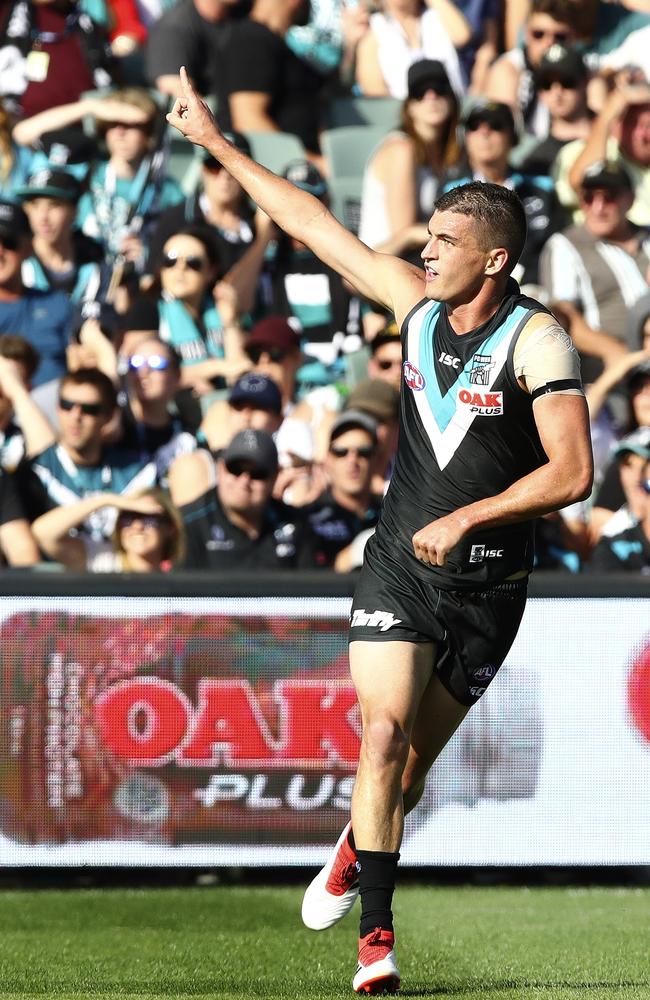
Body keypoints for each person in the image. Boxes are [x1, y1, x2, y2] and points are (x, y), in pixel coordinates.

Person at [167, 67, 593, 994]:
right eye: (429, 235)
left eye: (447, 240)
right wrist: (217, 142)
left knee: (401, 781)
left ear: (494, 259)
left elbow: (573, 473)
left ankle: (354, 849)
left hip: (488, 586)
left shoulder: (538, 340)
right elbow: (312, 223)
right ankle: (377, 945)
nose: (426, 250)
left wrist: (471, 516)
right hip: (399, 567)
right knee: (382, 737)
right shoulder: (414, 305)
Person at [539, 161, 650, 385]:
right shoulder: (566, 245)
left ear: (630, 199)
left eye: (609, 197)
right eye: (589, 197)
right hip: (608, 369)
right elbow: (565, 318)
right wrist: (621, 354)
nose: (598, 207)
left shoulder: (647, 237)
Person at [23, 367, 157, 539]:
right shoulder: (34, 473)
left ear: (108, 417)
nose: (75, 416)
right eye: (67, 405)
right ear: (57, 408)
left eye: (89, 409)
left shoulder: (138, 473)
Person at [441, 100, 562, 289]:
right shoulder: (449, 192)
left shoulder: (542, 188)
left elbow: (551, 245)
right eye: (474, 127)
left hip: (534, 290)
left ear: (512, 137)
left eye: (496, 126)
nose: (484, 133)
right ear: (465, 137)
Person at [168, 427, 318, 570]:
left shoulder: (296, 525)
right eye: (235, 469)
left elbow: (310, 592)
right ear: (220, 469)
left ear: (274, 477)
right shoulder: (188, 525)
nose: (244, 481)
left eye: (257, 473)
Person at [358, 59, 462, 261]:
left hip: (418, 257)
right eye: (420, 92)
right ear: (409, 107)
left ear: (451, 99)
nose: (430, 97)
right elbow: (404, 232)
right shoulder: (401, 148)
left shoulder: (448, 153)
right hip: (382, 263)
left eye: (439, 89)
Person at [31, 485, 185, 571]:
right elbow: (43, 533)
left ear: (170, 528)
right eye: (128, 517)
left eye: (149, 518)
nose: (137, 526)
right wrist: (106, 500)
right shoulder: (103, 560)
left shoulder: (179, 574)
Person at [484, 0, 577, 139]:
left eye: (560, 37)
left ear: (572, 39)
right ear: (526, 34)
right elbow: (503, 134)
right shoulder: (508, 69)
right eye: (539, 34)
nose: (549, 43)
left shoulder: (581, 73)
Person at [304, 409, 383, 572]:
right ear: (327, 459)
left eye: (363, 452)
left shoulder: (393, 515)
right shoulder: (307, 519)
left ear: (376, 458)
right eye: (341, 452)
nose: (352, 461)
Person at [354, 0, 467, 102]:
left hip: (453, 110)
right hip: (403, 118)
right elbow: (374, 91)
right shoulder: (374, 29)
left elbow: (462, 36)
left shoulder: (437, 16)